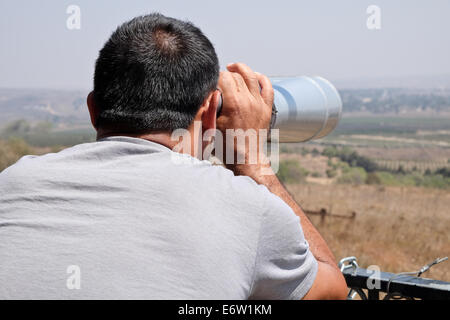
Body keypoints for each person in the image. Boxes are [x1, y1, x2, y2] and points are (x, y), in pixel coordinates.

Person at [0, 13, 347, 299]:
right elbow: (332, 292)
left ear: (93, 109)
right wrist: (252, 162)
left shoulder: (13, 185)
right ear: (210, 111)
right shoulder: (249, 210)